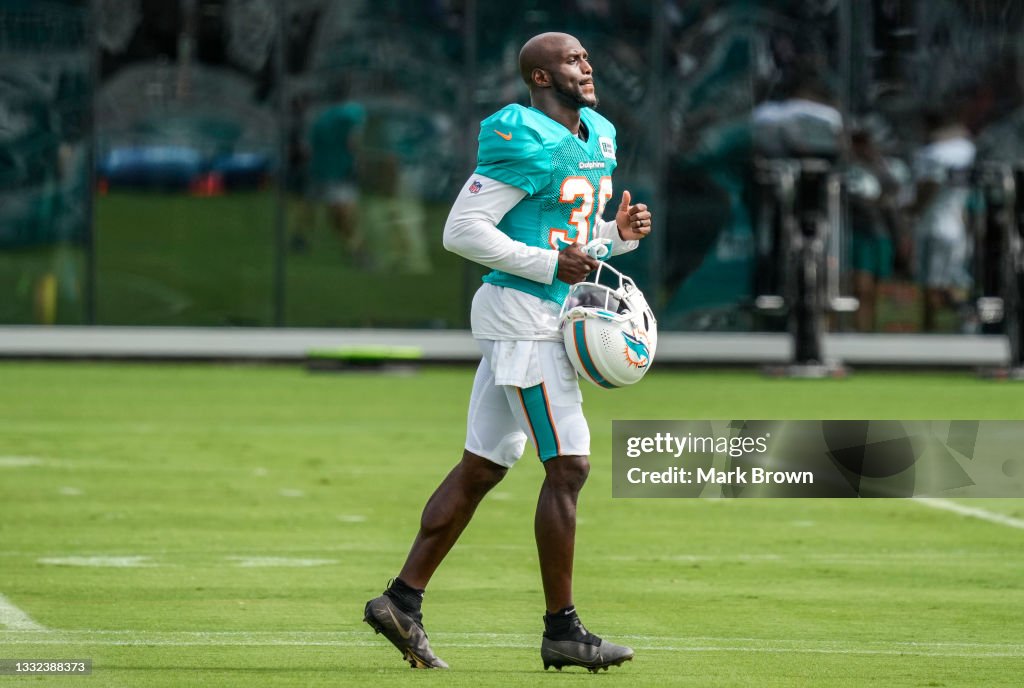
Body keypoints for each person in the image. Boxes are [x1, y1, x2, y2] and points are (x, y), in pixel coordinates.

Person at [363, 32, 652, 672]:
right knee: (568, 466)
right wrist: (551, 262)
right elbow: (462, 232)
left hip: (545, 310)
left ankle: (400, 602)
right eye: (572, 60)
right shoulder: (521, 133)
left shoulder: (597, 133)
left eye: (585, 57)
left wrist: (617, 237)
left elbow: (571, 238)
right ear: (540, 78)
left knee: (483, 467)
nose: (588, 65)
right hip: (524, 315)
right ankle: (563, 631)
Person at [910, 110, 976, 332]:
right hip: (958, 226)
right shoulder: (969, 151)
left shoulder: (932, 153)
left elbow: (929, 185)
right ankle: (966, 321)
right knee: (956, 279)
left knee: (933, 284)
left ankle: (934, 327)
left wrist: (912, 209)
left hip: (933, 226)